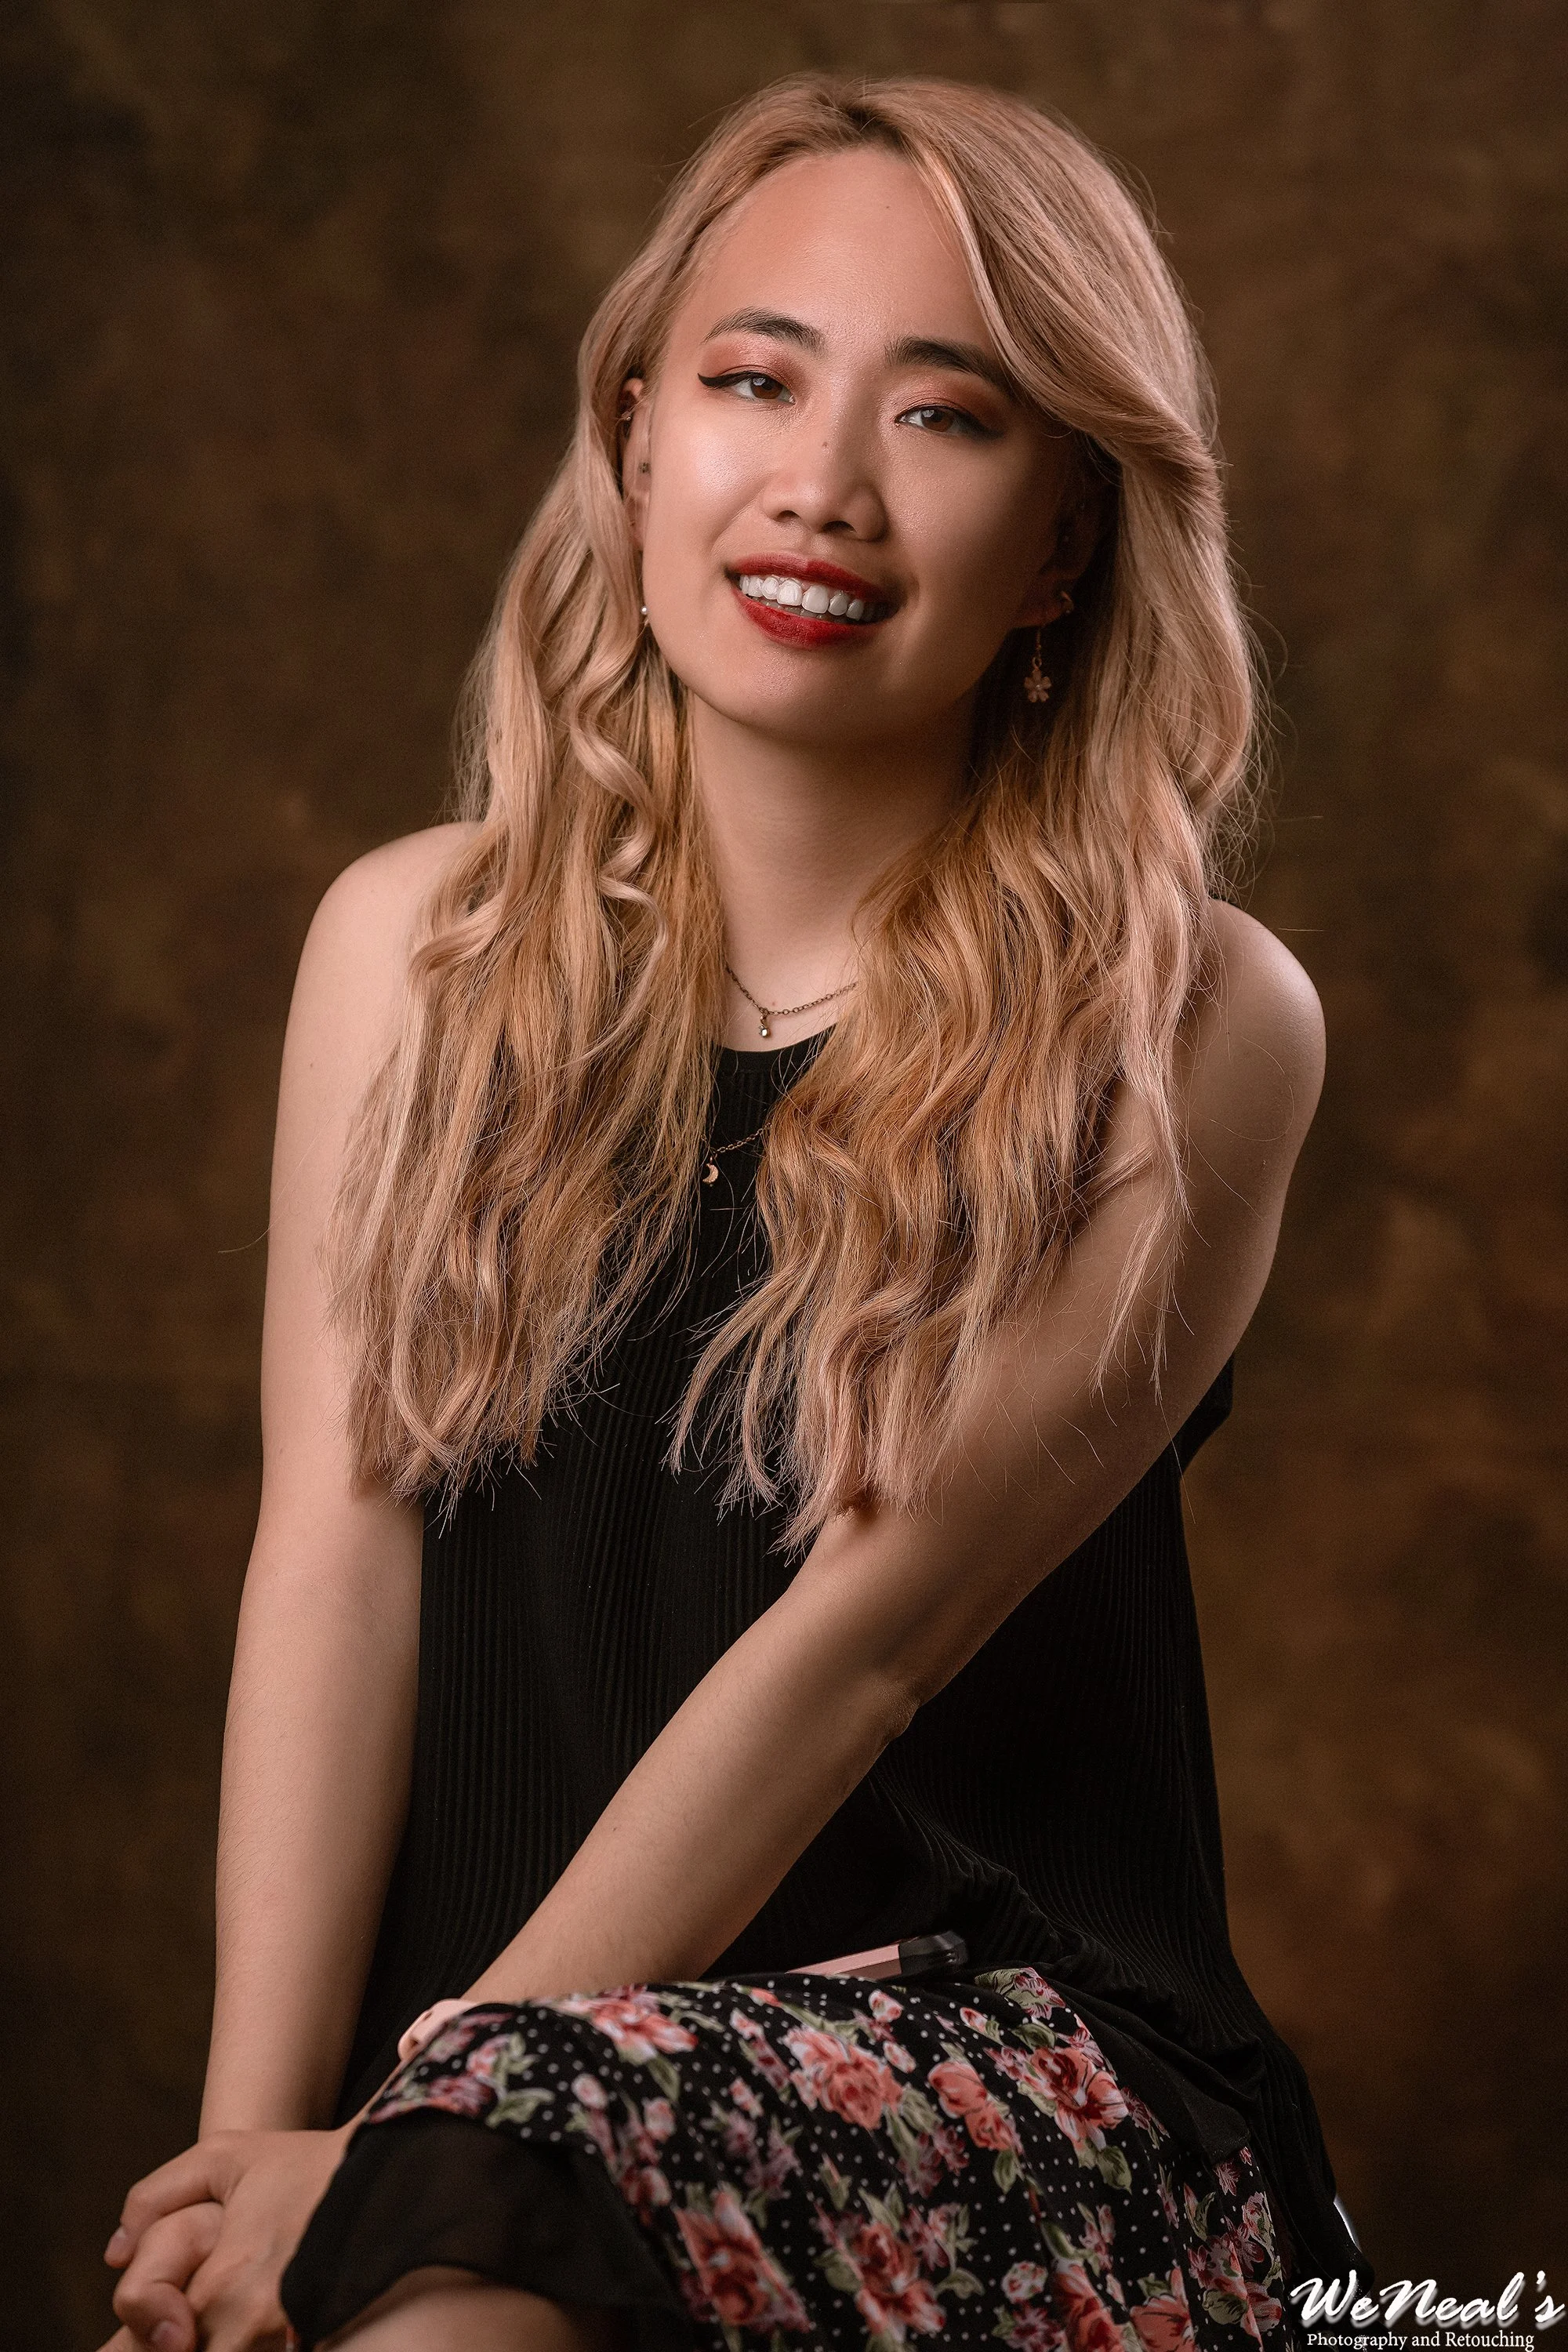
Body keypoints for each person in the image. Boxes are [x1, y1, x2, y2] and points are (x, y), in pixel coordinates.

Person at [102, 71, 1367, 2352]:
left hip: (1011, 2092)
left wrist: (400, 2165)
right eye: (754, 379)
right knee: (426, 2252)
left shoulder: (1191, 1027)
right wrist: (248, 2164)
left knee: (462, 2257)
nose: (823, 486)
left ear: (1071, 542)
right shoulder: (399, 950)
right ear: (630, 435)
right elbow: (338, 1551)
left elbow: (850, 1654)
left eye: (949, 418)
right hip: (493, 2076)